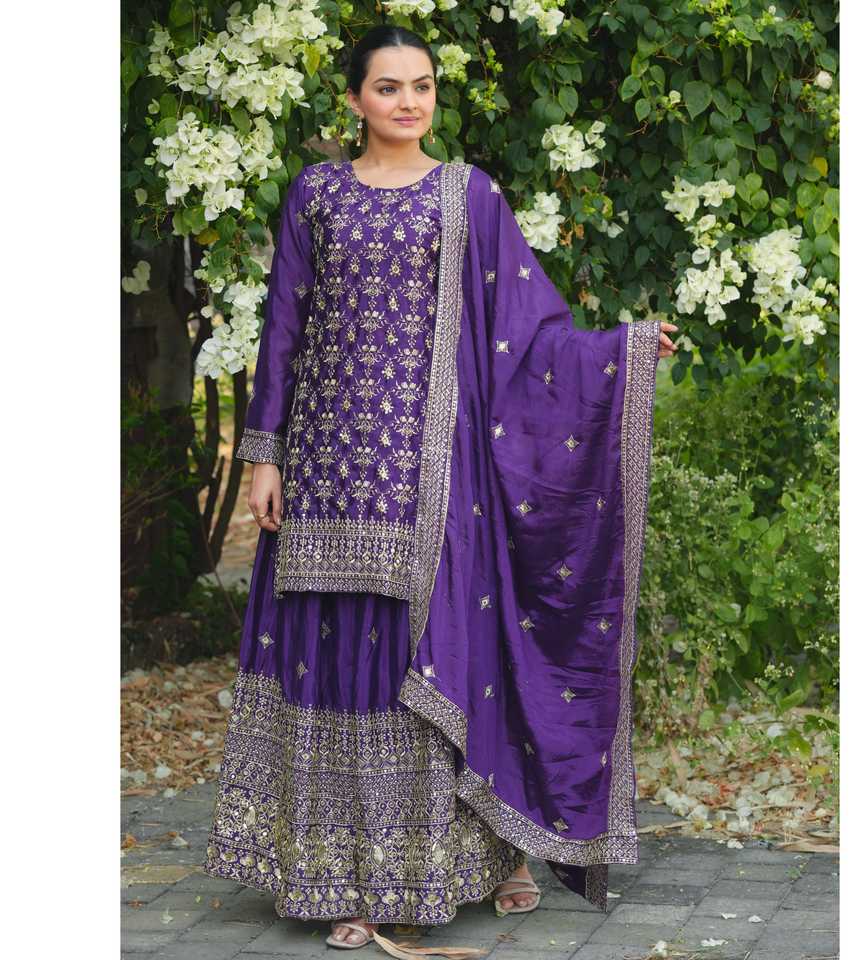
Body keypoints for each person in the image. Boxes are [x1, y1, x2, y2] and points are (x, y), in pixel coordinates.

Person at [203, 23, 677, 952]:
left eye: (421, 86)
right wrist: (265, 455)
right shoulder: (315, 194)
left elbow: (532, 334)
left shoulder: (469, 196)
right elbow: (285, 324)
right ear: (353, 100)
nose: (408, 102)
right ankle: (339, 875)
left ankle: (462, 860)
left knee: (429, 654)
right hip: (328, 466)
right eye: (388, 87)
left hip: (435, 474)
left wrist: (621, 352)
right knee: (334, 654)